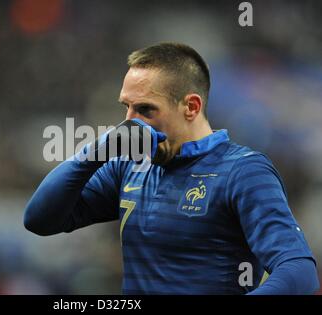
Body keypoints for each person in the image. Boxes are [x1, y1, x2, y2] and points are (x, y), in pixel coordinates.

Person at [24, 42, 319, 294]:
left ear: (190, 107)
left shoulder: (242, 172)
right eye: (126, 107)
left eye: (145, 109)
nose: (131, 121)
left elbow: (299, 271)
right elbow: (40, 220)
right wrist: (93, 153)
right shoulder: (129, 166)